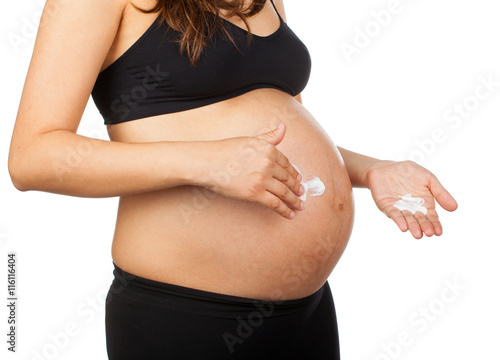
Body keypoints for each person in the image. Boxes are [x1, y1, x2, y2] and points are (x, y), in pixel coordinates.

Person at [7, 0, 458, 358]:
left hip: (309, 312)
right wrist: (206, 164)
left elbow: (269, 143)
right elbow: (32, 157)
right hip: (187, 316)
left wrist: (370, 169)